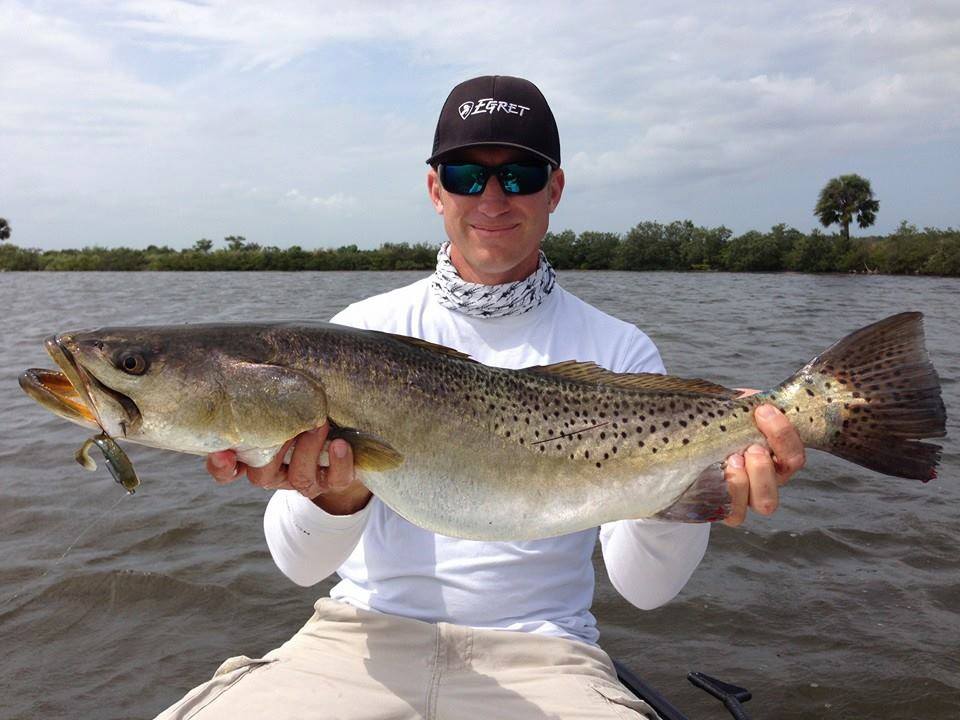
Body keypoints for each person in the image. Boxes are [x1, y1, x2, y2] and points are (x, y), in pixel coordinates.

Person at [157, 75, 805, 719]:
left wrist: (689, 485)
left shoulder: (618, 350)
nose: (492, 198)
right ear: (436, 189)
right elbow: (299, 568)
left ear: (554, 190)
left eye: (519, 176)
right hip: (357, 642)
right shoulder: (357, 332)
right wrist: (335, 496)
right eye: (468, 175)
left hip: (549, 657)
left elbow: (645, 589)